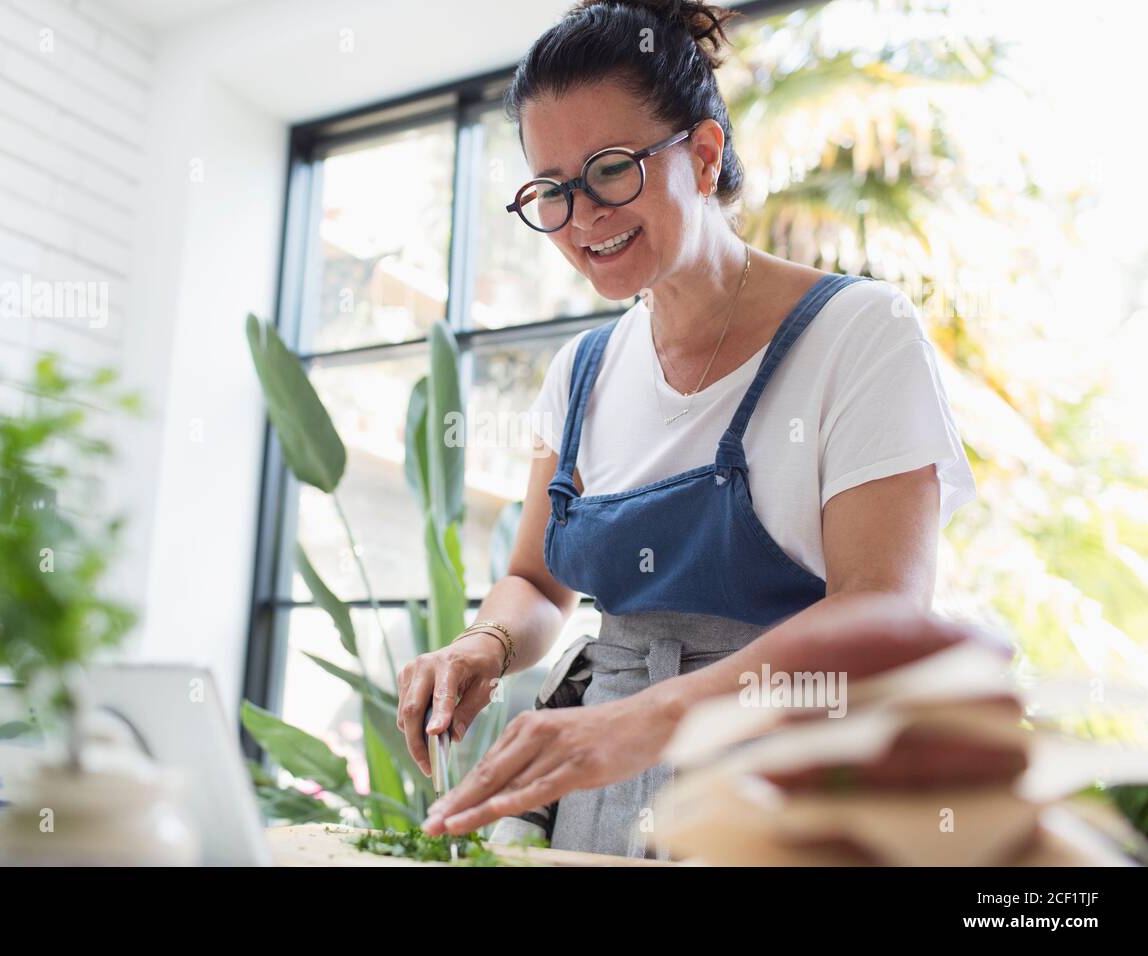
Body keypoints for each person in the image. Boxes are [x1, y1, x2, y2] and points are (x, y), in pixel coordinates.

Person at [396, 0, 978, 857]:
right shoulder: (581, 372)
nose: (583, 215)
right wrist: (481, 644)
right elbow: (535, 582)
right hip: (603, 799)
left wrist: (654, 718)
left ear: (704, 155)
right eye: (551, 190)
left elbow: (883, 615)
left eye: (610, 169)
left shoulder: (857, 334)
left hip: (790, 794)